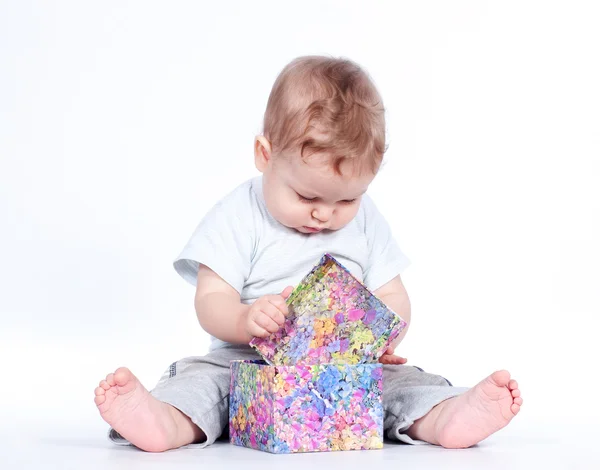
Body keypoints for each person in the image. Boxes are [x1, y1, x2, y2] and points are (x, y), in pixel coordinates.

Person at [94, 56, 522, 452]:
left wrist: (382, 338)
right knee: (204, 383)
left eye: (345, 201)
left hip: (342, 365)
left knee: (398, 383)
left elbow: (394, 297)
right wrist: (245, 320)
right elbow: (210, 301)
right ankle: (164, 421)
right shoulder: (239, 215)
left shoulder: (366, 220)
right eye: (306, 195)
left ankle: (445, 415)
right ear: (265, 155)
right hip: (245, 360)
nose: (324, 214)